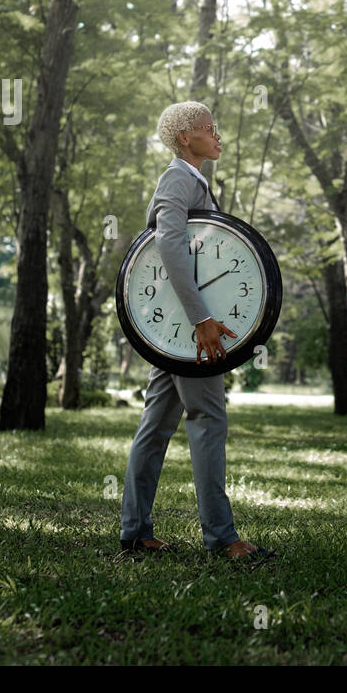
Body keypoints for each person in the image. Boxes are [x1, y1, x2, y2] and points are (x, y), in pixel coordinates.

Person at [119, 101, 275, 561]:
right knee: (208, 420)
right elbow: (167, 243)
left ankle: (135, 532)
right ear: (185, 137)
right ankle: (223, 540)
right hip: (190, 331)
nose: (218, 135)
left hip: (176, 332)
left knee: (156, 425)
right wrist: (202, 320)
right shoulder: (178, 178)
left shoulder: (193, 180)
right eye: (209, 128)